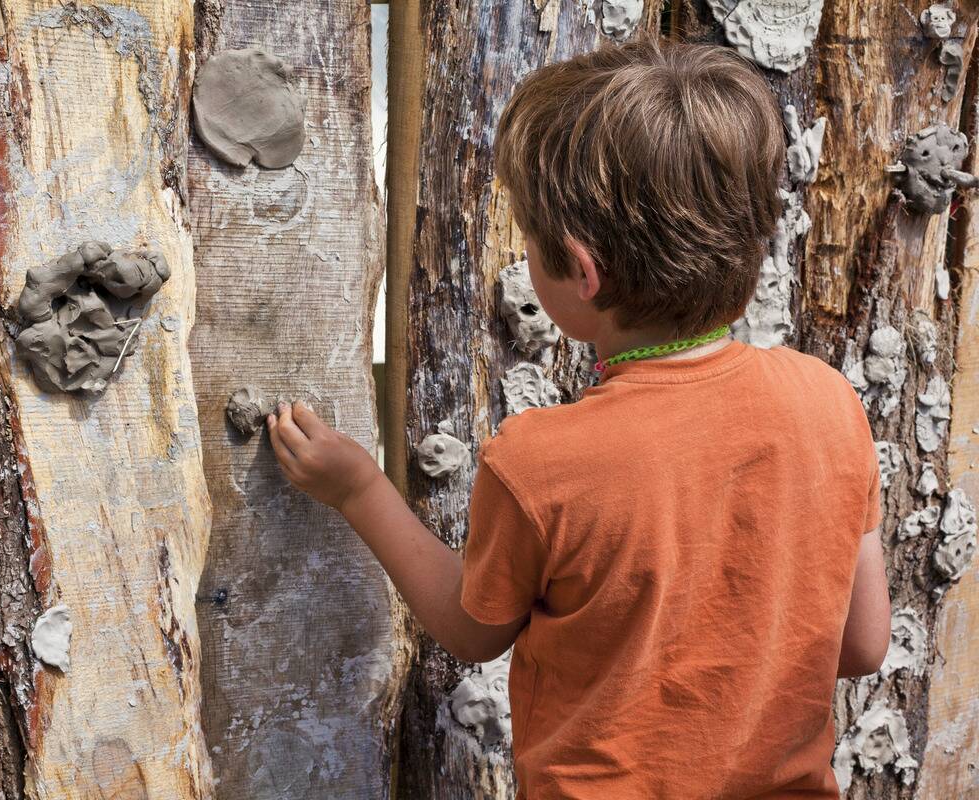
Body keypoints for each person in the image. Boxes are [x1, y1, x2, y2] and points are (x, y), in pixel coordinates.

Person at [266, 40, 890, 799]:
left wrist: (359, 489)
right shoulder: (829, 404)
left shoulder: (541, 461)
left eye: (528, 242)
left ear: (581, 269)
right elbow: (861, 643)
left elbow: (472, 631)